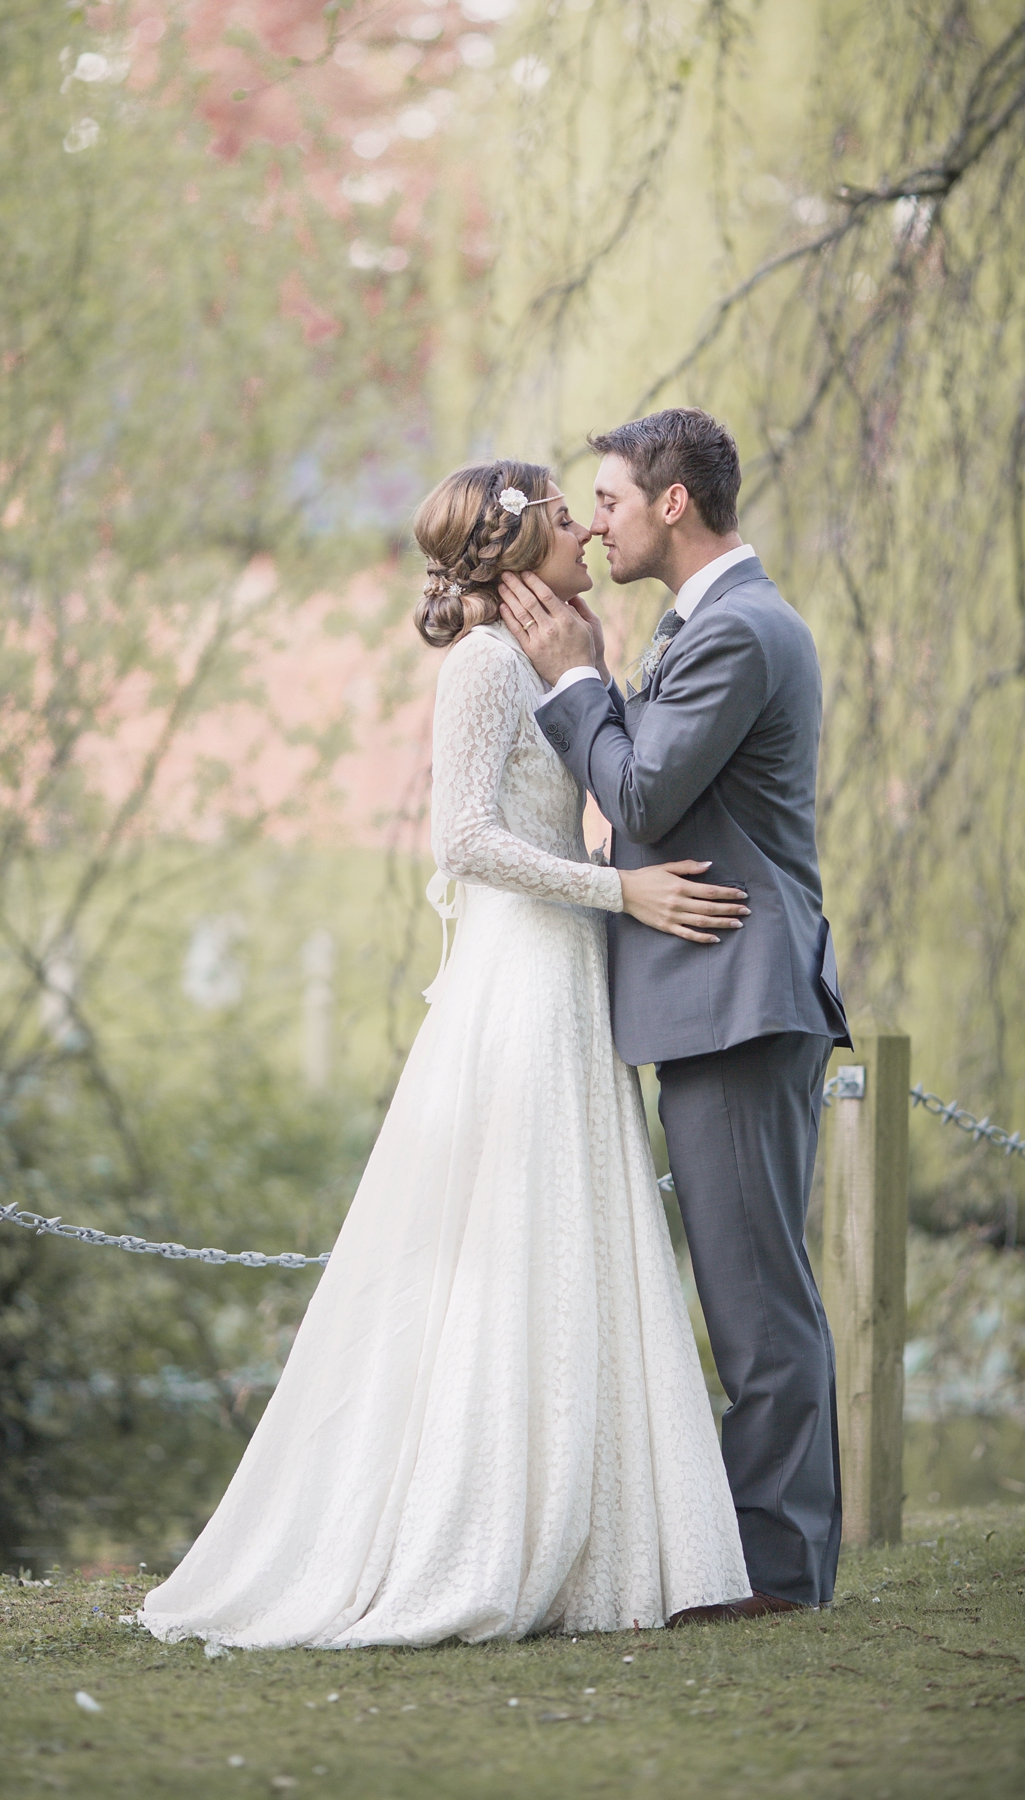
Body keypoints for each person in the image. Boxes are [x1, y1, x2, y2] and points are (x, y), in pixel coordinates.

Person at [140, 460, 753, 1651]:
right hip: (523, 972)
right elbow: (466, 839)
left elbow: (612, 778)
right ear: (520, 542)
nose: (586, 528)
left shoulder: (553, 653)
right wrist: (615, 893)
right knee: (514, 1238)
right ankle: (481, 1532)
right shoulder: (477, 666)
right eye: (565, 516)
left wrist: (587, 676)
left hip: (572, 968)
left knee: (578, 1232)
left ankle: (610, 1542)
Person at [499, 408, 851, 1618]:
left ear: (671, 504)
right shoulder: (711, 625)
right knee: (752, 1294)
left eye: (606, 500)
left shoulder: (740, 631)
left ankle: (780, 1574)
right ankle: (767, 1557)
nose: (591, 524)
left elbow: (642, 790)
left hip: (739, 998)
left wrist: (576, 681)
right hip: (715, 996)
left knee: (759, 1305)